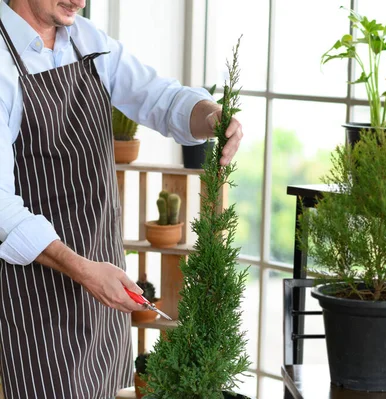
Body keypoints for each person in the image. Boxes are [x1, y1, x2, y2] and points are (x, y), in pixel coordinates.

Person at [0, 0, 243, 397]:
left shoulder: (86, 40)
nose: (80, 0)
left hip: (106, 280)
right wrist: (82, 270)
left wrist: (212, 116)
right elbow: (1, 207)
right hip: (38, 296)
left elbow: (160, 98)